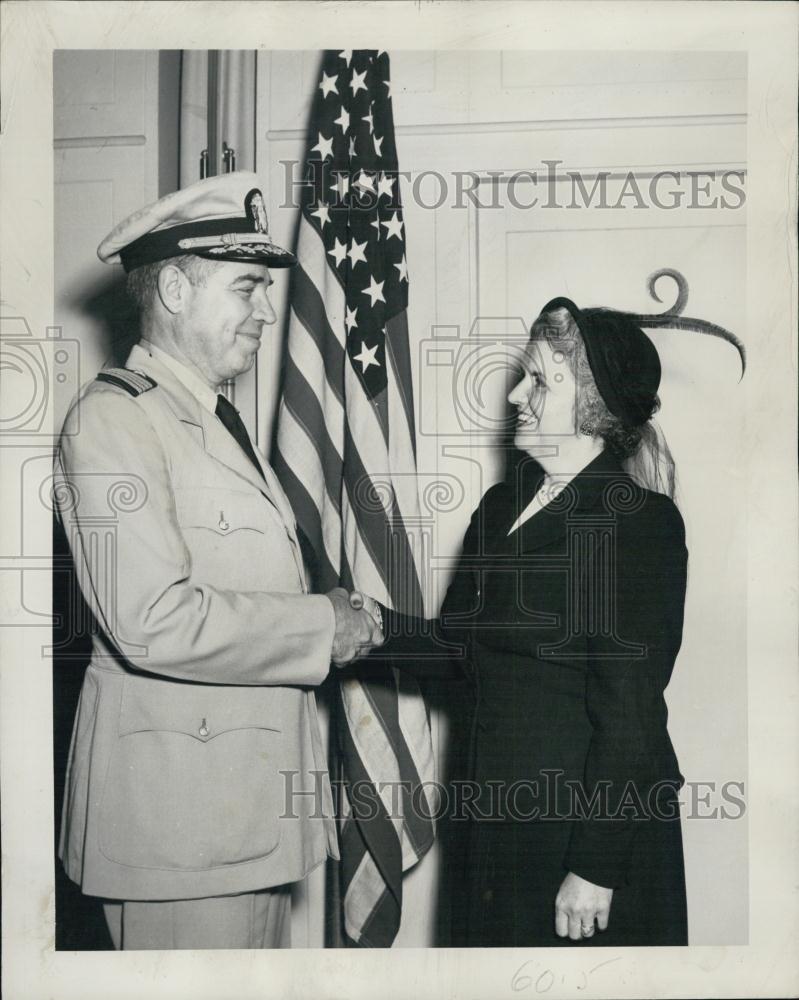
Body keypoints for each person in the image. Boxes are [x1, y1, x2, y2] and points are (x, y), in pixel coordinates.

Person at [54, 171, 382, 950]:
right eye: (246, 288)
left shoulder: (206, 415)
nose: (266, 312)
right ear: (173, 287)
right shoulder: (114, 422)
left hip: (242, 815)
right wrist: (319, 628)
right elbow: (152, 621)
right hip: (178, 828)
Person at [360, 293, 741, 947]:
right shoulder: (500, 504)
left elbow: (631, 716)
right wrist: (371, 628)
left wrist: (594, 867)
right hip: (496, 824)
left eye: (538, 379)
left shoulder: (636, 525)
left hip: (584, 838)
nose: (514, 396)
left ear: (593, 406)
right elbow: (461, 650)